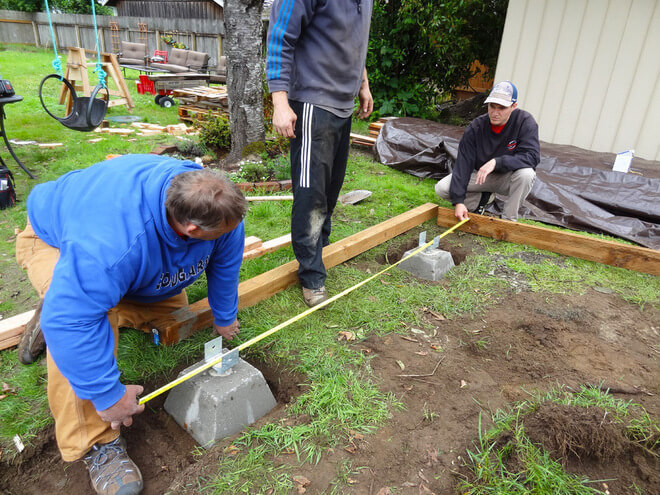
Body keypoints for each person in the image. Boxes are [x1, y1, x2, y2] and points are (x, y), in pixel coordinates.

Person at [15, 154, 247, 495]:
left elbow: (226, 262)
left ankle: (79, 296)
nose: (229, 234)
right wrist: (106, 395)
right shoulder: (109, 244)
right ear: (192, 229)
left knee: (170, 313)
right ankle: (96, 445)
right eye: (220, 234)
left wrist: (224, 317)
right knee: (82, 324)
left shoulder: (216, 207)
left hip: (125, 258)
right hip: (57, 240)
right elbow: (72, 323)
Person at [266, 0, 374, 307]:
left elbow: (356, 40)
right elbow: (280, 37)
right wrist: (279, 103)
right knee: (311, 193)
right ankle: (311, 273)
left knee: (330, 189)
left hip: (343, 104)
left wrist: (363, 84)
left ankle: (319, 250)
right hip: (313, 101)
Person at [435, 80, 540, 221]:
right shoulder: (476, 127)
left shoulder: (525, 122)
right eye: (492, 106)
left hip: (508, 178)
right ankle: (479, 203)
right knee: (442, 188)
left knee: (526, 174)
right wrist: (459, 201)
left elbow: (532, 157)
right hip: (481, 177)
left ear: (513, 106)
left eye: (501, 108)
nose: (495, 113)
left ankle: (508, 221)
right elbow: (463, 165)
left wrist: (497, 162)